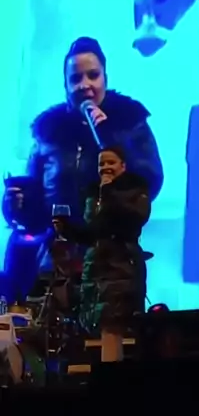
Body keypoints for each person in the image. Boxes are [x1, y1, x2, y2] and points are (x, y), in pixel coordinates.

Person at [2, 37, 163, 301]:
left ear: (105, 78)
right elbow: (35, 202)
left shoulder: (130, 123)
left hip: (111, 260)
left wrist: (109, 138)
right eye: (76, 78)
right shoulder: (48, 133)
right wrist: (16, 205)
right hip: (57, 260)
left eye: (93, 75)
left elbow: (149, 181)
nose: (85, 85)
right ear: (66, 86)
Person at [55, 146, 151, 363]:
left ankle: (113, 379)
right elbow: (94, 233)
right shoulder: (93, 193)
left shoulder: (135, 189)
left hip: (121, 265)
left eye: (111, 163)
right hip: (96, 267)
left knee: (113, 326)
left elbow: (135, 219)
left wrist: (109, 193)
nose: (105, 167)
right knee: (103, 327)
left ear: (123, 166)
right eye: (101, 164)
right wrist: (67, 230)